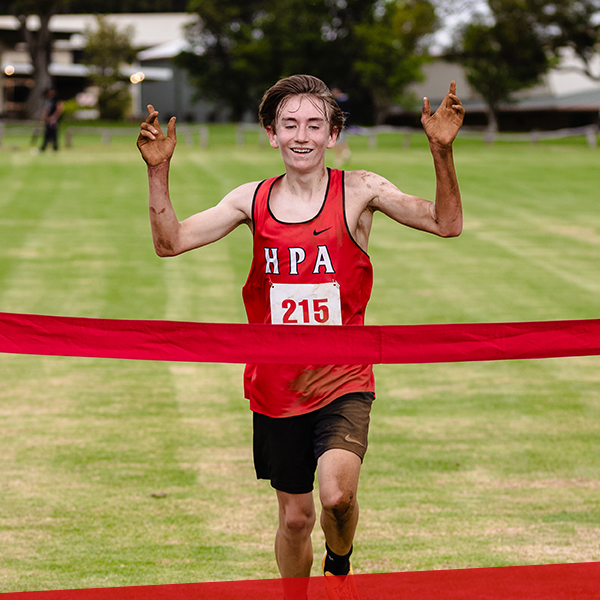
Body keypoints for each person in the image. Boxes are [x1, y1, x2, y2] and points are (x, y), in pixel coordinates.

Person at [137, 74, 464, 600]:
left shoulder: (360, 190)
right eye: (289, 125)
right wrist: (159, 170)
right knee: (294, 518)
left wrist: (441, 151)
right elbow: (170, 242)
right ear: (272, 134)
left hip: (344, 378)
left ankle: (339, 564)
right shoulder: (251, 199)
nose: (302, 136)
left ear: (333, 134)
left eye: (315, 124)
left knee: (336, 498)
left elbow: (446, 223)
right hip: (277, 385)